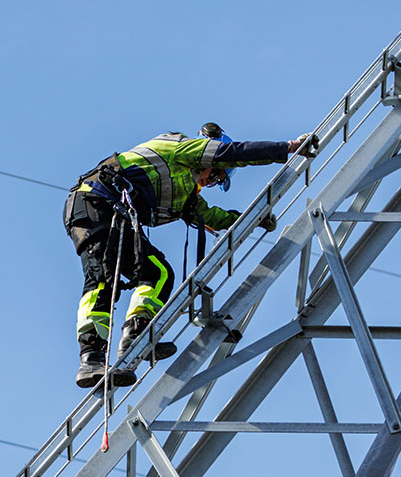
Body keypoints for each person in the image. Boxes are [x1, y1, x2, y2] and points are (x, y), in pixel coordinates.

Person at [65, 123, 317, 389]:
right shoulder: (183, 149)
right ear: (210, 157)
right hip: (95, 204)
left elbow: (211, 217)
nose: (212, 181)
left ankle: (136, 332)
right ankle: (91, 357)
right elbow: (234, 153)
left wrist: (252, 220)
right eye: (217, 174)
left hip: (108, 213)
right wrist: (287, 148)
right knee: (102, 276)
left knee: (158, 273)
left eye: (218, 181)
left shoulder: (186, 191)